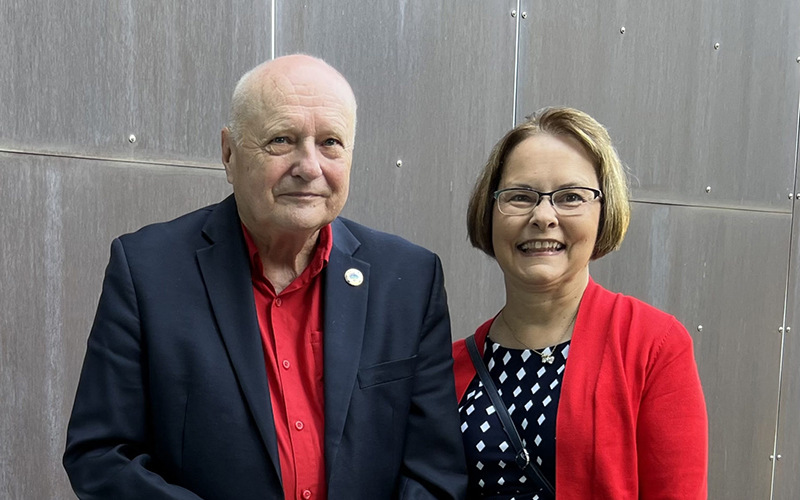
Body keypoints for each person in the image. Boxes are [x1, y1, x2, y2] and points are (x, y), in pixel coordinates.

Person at [63, 54, 467, 500]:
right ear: (229, 153)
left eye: (330, 142)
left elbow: (434, 472)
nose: (309, 166)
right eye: (281, 140)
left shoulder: (409, 279)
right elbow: (101, 456)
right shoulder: (146, 270)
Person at [452, 107, 708, 499]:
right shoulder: (452, 366)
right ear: (489, 213)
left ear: (604, 213)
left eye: (570, 197)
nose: (543, 216)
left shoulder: (652, 346)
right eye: (520, 196)